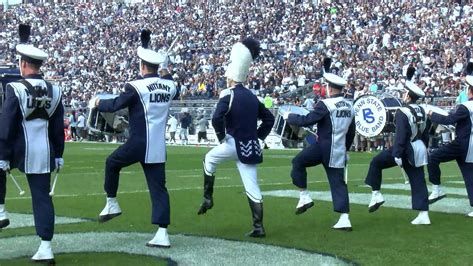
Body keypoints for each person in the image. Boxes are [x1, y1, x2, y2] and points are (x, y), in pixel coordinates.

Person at [92, 29, 178, 247]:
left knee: (112, 163)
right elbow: (170, 82)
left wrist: (97, 103)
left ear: (141, 65)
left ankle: (112, 202)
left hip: (139, 142)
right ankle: (162, 232)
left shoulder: (136, 86)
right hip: (157, 146)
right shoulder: (170, 86)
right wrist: (165, 69)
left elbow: (115, 104)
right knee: (159, 189)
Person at [197, 38, 274, 238]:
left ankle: (208, 198)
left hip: (233, 143)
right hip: (251, 146)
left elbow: (216, 118)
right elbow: (269, 119)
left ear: (230, 77)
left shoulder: (228, 94)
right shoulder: (252, 96)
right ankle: (259, 227)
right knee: (252, 186)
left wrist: (222, 137)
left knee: (208, 160)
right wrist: (259, 138)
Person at [0, 24, 64, 263]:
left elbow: (6, 126)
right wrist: (59, 153)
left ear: (23, 64)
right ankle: (46, 247)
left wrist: (3, 155)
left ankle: (1, 210)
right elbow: (58, 127)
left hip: (19, 150)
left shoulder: (14, 88)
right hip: (44, 151)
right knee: (42, 198)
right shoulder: (55, 90)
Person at [283, 59, 355, 231]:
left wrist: (290, 117)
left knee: (298, 162)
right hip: (338, 149)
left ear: (329, 87)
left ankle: (304, 195)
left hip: (323, 147)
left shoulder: (326, 104)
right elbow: (351, 131)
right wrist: (345, 148)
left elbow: (308, 120)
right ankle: (345, 218)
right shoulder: (350, 106)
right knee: (338, 183)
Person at [365, 66, 431, 225]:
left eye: (404, 93)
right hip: (418, 147)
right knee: (418, 179)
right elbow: (426, 132)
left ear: (408, 95)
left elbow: (401, 135)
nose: (402, 95)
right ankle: (423, 213)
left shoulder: (403, 111)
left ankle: (376, 193)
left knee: (376, 162)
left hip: (405, 149)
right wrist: (425, 146)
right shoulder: (422, 109)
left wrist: (397, 154)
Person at [426, 70, 473, 217]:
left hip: (462, 143)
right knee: (469, 174)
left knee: (433, 157)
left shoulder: (465, 106)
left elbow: (449, 120)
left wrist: (431, 114)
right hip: (471, 144)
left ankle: (437, 188)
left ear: (470, 90)